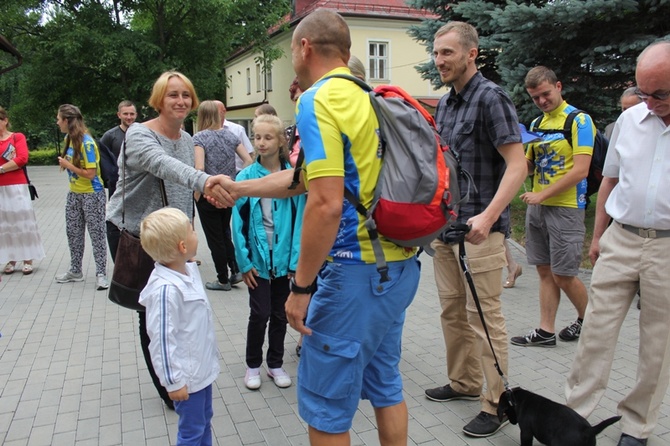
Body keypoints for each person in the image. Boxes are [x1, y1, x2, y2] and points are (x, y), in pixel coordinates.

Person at [221, 8, 421, 445]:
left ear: (304, 47)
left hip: (352, 274)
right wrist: (239, 189)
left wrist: (302, 288)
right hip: (397, 266)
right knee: (386, 385)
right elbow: (305, 180)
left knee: (327, 405)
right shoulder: (371, 97)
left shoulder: (317, 99)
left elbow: (326, 204)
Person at [106, 70, 234, 410]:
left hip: (173, 236)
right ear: (158, 100)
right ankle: (170, 388)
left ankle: (181, 373)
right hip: (137, 233)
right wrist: (205, 181)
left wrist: (202, 209)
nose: (180, 101)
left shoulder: (185, 136)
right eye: (172, 94)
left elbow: (182, 186)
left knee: (179, 308)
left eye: (186, 95)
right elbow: (163, 167)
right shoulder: (138, 134)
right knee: (153, 310)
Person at [424, 21, 527, 438]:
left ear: (472, 54)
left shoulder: (491, 98)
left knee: (485, 318)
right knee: (452, 311)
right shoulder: (446, 103)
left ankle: (496, 403)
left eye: (447, 52)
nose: (439, 60)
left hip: (480, 232)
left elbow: (517, 165)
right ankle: (464, 383)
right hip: (447, 231)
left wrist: (486, 218)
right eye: (436, 52)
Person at [565, 40, 670, 446]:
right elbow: (608, 180)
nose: (649, 102)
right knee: (596, 330)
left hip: (666, 248)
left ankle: (637, 426)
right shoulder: (630, 120)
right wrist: (597, 236)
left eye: (659, 94)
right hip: (620, 239)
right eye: (643, 91)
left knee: (658, 344)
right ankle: (573, 414)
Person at [510, 66, 595, 348]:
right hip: (538, 207)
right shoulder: (536, 125)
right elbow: (530, 164)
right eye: (535, 98)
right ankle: (546, 332)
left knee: (564, 274)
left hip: (566, 207)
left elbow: (581, 170)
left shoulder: (579, 121)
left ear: (558, 86)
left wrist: (542, 194)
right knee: (545, 271)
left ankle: (590, 322)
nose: (542, 101)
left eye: (545, 94)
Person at [233, 114, 304, 390]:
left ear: (281, 141)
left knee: (279, 314)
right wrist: (244, 261)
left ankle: (275, 363)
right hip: (258, 262)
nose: (261, 143)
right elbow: (236, 223)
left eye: (267, 137)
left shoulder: (294, 176)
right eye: (256, 137)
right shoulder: (246, 177)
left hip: (285, 260)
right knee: (259, 313)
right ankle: (253, 365)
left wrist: (296, 261)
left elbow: (301, 221)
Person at [138, 207, 220, 446]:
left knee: (204, 419)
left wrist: (188, 259)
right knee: (192, 431)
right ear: (182, 246)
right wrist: (173, 381)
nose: (196, 234)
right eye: (192, 231)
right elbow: (162, 340)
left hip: (201, 370)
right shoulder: (165, 290)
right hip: (187, 376)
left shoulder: (184, 268)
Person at [193, 100, 252, 291]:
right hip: (228, 193)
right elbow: (249, 160)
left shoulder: (199, 138)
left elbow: (199, 167)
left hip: (208, 193)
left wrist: (197, 192)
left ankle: (222, 279)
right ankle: (235, 270)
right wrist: (237, 181)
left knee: (214, 238)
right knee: (225, 233)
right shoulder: (231, 135)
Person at [55, 104, 109, 290]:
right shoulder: (69, 139)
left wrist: (68, 165)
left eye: (59, 119)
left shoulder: (86, 143)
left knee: (97, 234)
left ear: (67, 121)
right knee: (73, 232)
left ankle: (101, 273)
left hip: (92, 194)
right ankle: (75, 270)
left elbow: (90, 174)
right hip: (74, 194)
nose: (57, 122)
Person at [0, 106, 45, 275]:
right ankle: (10, 258)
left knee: (21, 220)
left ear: (5, 120)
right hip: (0, 187)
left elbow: (22, 158)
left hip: (16, 185)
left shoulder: (16, 137)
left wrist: (2, 169)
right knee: (5, 223)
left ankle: (28, 258)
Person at [101, 100, 137, 252]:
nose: (129, 117)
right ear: (119, 115)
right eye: (126, 114)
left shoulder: (142, 133)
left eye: (132, 114)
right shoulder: (110, 136)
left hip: (137, 185)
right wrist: (109, 179)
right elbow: (102, 159)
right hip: (117, 186)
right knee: (117, 220)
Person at [213, 100, 254, 174]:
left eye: (215, 111)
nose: (213, 114)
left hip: (237, 174)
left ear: (224, 111)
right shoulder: (206, 132)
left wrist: (241, 177)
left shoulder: (237, 129)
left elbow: (250, 154)